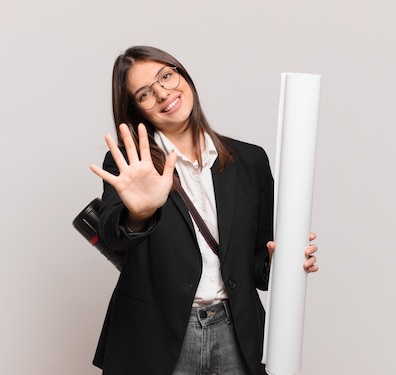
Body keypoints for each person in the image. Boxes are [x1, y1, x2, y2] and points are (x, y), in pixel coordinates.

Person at [89, 46, 319, 375]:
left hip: (235, 332)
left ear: (183, 75)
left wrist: (284, 262)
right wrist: (139, 214)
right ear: (136, 111)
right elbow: (113, 235)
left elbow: (258, 266)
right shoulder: (132, 165)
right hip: (158, 335)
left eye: (166, 76)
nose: (164, 93)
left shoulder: (250, 161)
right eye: (145, 94)